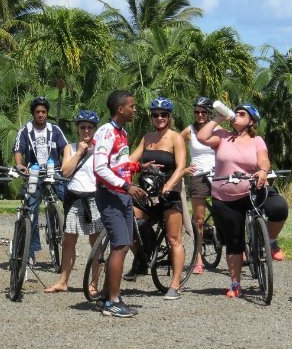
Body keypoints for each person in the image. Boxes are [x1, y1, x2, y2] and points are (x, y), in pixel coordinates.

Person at [197, 103, 289, 298]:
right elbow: (201, 137)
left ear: (251, 121)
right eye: (236, 113)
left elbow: (263, 160)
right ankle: (236, 283)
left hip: (252, 190)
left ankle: (270, 241)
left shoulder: (257, 141)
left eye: (242, 114)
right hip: (225, 196)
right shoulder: (222, 137)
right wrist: (219, 118)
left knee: (279, 207)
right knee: (234, 240)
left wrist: (263, 171)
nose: (236, 116)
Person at [92, 90, 149, 317]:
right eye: (132, 106)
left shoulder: (122, 132)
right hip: (110, 195)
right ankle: (112, 302)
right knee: (120, 245)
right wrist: (126, 187)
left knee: (124, 244)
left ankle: (107, 294)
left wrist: (140, 167)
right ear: (120, 109)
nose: (135, 109)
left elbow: (120, 163)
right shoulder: (106, 132)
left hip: (122, 195)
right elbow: (100, 167)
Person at [126, 97, 187, 301]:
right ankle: (143, 257)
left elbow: (180, 168)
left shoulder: (175, 138)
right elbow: (130, 161)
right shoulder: (147, 138)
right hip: (147, 191)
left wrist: (169, 186)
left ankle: (175, 285)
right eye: (155, 114)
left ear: (169, 117)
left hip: (168, 193)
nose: (159, 118)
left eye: (164, 114)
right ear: (151, 117)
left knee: (173, 239)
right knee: (130, 222)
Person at [44, 110, 103, 294]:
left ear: (95, 129)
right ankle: (63, 281)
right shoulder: (70, 147)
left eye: (90, 127)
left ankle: (94, 283)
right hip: (74, 197)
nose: (86, 130)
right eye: (82, 127)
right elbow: (66, 172)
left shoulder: (101, 148)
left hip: (94, 197)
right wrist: (79, 152)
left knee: (96, 243)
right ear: (77, 129)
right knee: (69, 241)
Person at [13, 96, 69, 263]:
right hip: (34, 174)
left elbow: (65, 147)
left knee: (70, 199)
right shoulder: (25, 131)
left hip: (54, 172)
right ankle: (30, 251)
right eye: (37, 112)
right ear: (33, 113)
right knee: (31, 210)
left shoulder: (55, 130)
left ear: (47, 113)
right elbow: (18, 150)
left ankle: (68, 242)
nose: (41, 114)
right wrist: (19, 165)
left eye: (44, 112)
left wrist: (66, 164)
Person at [180, 96, 218, 274]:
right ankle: (198, 257)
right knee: (199, 220)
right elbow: (176, 144)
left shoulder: (217, 129)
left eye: (204, 112)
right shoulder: (189, 130)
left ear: (209, 113)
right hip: (197, 175)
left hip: (218, 174)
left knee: (228, 213)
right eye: (197, 112)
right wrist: (183, 167)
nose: (200, 115)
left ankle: (240, 250)